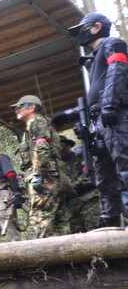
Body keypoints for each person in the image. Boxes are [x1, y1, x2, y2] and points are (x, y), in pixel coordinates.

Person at [52, 12, 128, 228]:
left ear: (96, 27)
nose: (79, 36)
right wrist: (68, 116)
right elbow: (93, 100)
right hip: (101, 121)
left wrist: (110, 104)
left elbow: (119, 69)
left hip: (116, 118)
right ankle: (110, 220)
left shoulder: (112, 44)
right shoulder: (94, 60)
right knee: (105, 177)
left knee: (125, 167)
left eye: (82, 30)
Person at [12, 95, 69, 238]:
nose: (16, 110)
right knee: (59, 222)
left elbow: (41, 146)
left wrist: (38, 173)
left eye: (20, 106)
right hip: (52, 177)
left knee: (40, 218)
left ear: (31, 107)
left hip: (45, 178)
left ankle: (45, 257)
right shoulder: (44, 124)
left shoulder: (36, 122)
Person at [59, 139, 100, 233]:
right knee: (77, 237)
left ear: (69, 146)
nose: (59, 149)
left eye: (62, 145)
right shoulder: (58, 166)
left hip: (88, 201)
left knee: (95, 232)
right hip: (71, 207)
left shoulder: (81, 157)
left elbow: (89, 178)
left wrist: (70, 187)